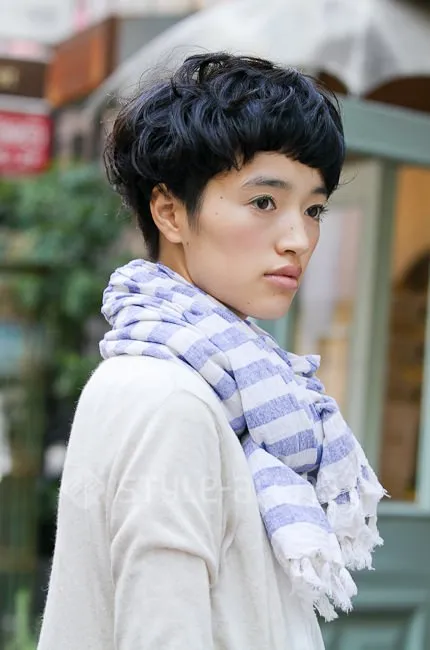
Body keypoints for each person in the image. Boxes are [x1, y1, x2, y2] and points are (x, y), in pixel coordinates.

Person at [37, 53, 385, 650]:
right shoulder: (172, 399)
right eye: (264, 202)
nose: (299, 238)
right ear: (170, 211)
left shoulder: (216, 385)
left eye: (314, 209)